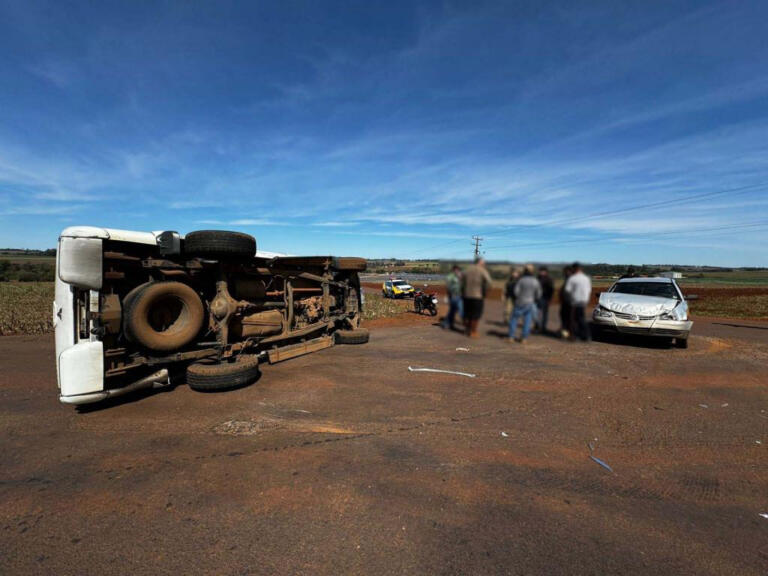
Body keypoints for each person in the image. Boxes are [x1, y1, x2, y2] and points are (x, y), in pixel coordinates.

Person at [509, 264, 541, 343]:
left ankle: (511, 337)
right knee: (527, 321)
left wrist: (519, 297)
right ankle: (524, 338)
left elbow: (516, 291)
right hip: (530, 303)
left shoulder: (521, 280)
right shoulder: (535, 281)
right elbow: (538, 294)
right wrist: (534, 299)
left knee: (514, 318)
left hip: (519, 302)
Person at [461, 257, 492, 338]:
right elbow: (489, 282)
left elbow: (460, 280)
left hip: (466, 295)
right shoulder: (482, 270)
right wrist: (485, 292)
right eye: (483, 263)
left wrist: (463, 291)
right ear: (480, 262)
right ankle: (473, 332)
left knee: (467, 313)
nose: (484, 264)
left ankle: (467, 330)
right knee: (476, 315)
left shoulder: (467, 270)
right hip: (477, 296)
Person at [564, 262, 592, 342]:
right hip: (584, 301)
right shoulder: (586, 278)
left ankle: (578, 336)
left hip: (575, 301)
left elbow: (567, 290)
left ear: (574, 269)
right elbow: (589, 289)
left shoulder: (572, 278)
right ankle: (584, 335)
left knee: (575, 319)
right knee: (581, 318)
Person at [442, 265, 463, 330]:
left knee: (453, 310)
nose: (457, 271)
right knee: (460, 309)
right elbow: (449, 286)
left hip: (460, 295)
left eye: (458, 270)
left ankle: (447, 323)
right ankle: (467, 323)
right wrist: (450, 294)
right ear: (453, 270)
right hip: (454, 295)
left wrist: (460, 278)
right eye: (456, 270)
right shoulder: (450, 277)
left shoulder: (459, 276)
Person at [536, 266, 554, 333]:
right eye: (540, 271)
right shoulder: (537, 278)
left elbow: (551, 289)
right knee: (538, 312)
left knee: (544, 313)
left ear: (545, 272)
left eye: (542, 271)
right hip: (538, 298)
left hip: (545, 297)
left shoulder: (549, 279)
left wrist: (549, 298)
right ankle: (538, 326)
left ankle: (543, 327)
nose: (540, 272)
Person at [559, 266, 573, 339]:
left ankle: (569, 333)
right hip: (565, 303)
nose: (565, 273)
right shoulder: (567, 280)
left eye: (566, 272)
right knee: (564, 318)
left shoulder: (571, 281)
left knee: (569, 319)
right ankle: (565, 332)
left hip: (569, 303)